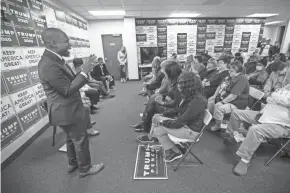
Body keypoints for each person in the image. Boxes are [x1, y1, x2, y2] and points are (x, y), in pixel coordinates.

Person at [38, 28, 104, 178]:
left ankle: (73, 163)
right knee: (80, 138)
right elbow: (67, 90)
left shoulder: (55, 60)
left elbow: (69, 82)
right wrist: (84, 72)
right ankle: (85, 168)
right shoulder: (49, 64)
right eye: (67, 42)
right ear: (54, 43)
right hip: (67, 110)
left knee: (71, 137)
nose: (70, 45)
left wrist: (83, 73)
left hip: (67, 109)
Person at [137, 71, 207, 162]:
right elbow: (178, 110)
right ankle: (155, 138)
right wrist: (162, 115)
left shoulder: (197, 101)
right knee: (157, 116)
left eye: (181, 84)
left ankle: (175, 151)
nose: (179, 86)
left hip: (191, 131)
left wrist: (162, 122)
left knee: (158, 130)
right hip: (186, 125)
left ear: (189, 85)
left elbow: (179, 123)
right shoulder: (191, 96)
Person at [223, 85, 290, 176]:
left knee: (255, 130)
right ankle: (234, 137)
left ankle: (245, 159)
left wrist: (279, 101)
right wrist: (274, 98)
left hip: (282, 125)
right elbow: (270, 97)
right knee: (236, 113)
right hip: (265, 116)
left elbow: (279, 100)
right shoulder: (286, 87)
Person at [131, 61, 182, 133]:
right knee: (153, 99)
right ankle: (145, 124)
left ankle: (145, 125)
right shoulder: (174, 81)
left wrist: (163, 102)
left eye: (164, 70)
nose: (162, 71)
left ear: (170, 72)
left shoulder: (177, 85)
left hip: (173, 111)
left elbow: (176, 104)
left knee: (153, 101)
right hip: (170, 106)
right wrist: (164, 97)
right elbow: (171, 95)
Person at [208, 61, 250, 132]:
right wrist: (214, 96)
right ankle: (215, 118)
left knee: (219, 108)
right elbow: (220, 86)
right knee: (210, 101)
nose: (229, 72)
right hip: (226, 98)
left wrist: (222, 102)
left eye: (231, 71)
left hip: (237, 102)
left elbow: (233, 96)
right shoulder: (230, 77)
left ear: (238, 71)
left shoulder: (242, 79)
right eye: (229, 70)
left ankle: (217, 125)